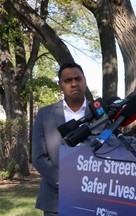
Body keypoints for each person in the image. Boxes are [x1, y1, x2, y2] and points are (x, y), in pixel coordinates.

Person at [32, 62, 91, 215]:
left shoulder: (102, 113)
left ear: (85, 80)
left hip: (94, 198)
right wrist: (64, 182)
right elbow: (38, 157)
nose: (74, 84)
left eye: (78, 79)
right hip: (55, 200)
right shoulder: (45, 114)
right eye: (67, 80)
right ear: (60, 85)